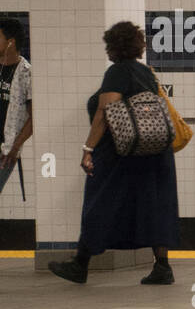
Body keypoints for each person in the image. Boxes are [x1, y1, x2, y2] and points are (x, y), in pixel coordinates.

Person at [47, 22, 179, 285]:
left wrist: (88, 149)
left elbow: (104, 112)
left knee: (98, 202)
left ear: (114, 46)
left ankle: (80, 264)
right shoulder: (146, 72)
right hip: (155, 154)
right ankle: (162, 267)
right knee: (153, 206)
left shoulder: (117, 72)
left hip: (120, 154)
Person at [0, 18, 33, 197]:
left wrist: (15, 148)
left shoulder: (26, 73)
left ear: (10, 42)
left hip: (5, 150)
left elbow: (34, 117)